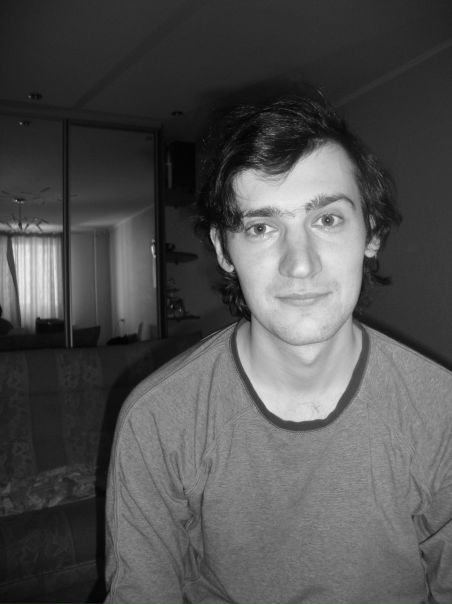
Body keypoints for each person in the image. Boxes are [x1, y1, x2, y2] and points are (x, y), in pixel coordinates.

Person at [104, 91, 452, 603]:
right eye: (262, 227)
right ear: (224, 250)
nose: (300, 263)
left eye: (327, 219)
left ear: (372, 232)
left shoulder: (441, 413)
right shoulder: (157, 421)